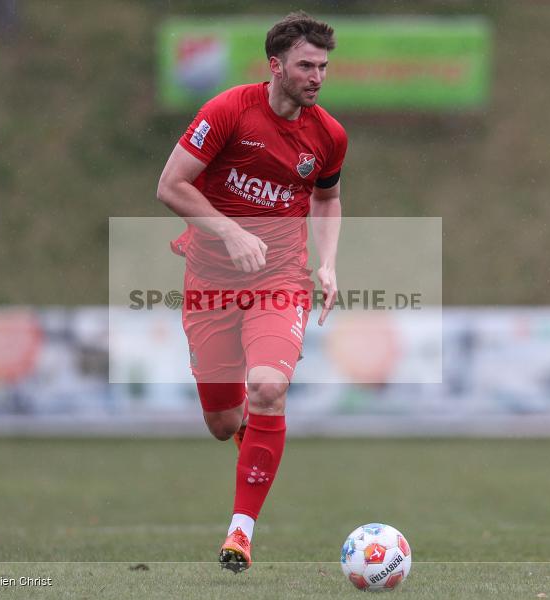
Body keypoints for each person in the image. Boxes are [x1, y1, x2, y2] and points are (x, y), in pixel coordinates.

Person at [157, 12, 346, 573]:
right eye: (306, 65)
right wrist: (228, 228)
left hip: (280, 280)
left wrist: (328, 263)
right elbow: (170, 185)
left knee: (267, 387)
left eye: (324, 67)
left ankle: (241, 532)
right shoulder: (228, 111)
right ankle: (249, 436)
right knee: (221, 423)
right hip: (211, 283)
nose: (317, 77)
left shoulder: (329, 134)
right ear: (276, 66)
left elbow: (328, 198)